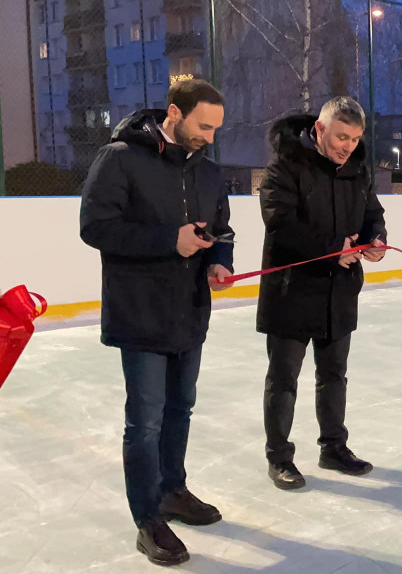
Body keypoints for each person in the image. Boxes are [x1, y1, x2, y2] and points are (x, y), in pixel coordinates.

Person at [80, 79, 232, 566]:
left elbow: (222, 228)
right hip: (140, 313)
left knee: (180, 408)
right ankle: (147, 519)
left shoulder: (209, 173)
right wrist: (171, 240)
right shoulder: (120, 157)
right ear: (174, 112)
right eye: (202, 126)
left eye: (215, 128)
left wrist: (219, 260)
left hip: (188, 311)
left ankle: (173, 490)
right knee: (144, 421)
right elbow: (95, 227)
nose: (209, 136)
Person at [258, 96, 387, 490]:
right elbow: (281, 225)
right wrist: (334, 249)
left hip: (339, 293)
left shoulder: (357, 171)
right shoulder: (285, 167)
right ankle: (279, 457)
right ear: (319, 129)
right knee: (284, 379)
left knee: (334, 375)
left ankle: (333, 447)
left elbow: (372, 215)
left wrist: (376, 241)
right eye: (340, 137)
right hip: (292, 292)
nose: (347, 146)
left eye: (354, 138)